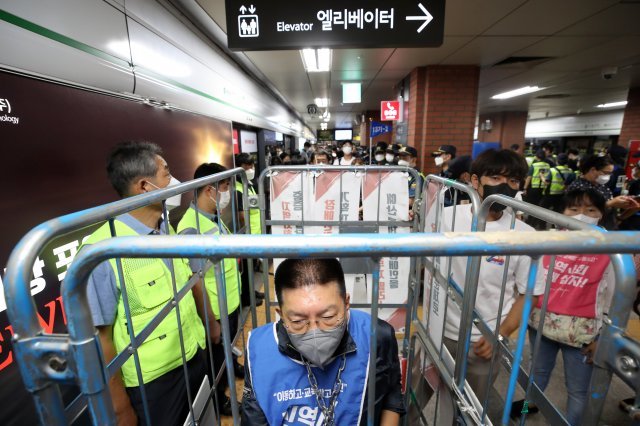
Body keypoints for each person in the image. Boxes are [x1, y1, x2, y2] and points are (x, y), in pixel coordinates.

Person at [82, 141, 218, 425]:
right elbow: (99, 340)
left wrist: (210, 322)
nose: (175, 182)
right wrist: (120, 409)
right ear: (144, 186)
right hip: (153, 385)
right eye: (167, 174)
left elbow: (189, 280)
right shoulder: (103, 251)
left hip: (193, 355)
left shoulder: (165, 230)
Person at [424, 149, 544, 417]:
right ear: (475, 181)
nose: (505, 186)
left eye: (513, 181)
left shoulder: (525, 235)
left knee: (468, 411)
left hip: (482, 344)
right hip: (435, 331)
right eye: (496, 177)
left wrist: (499, 334)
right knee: (411, 399)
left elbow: (530, 294)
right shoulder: (446, 217)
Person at [241, 258, 405, 425]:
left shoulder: (375, 335)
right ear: (281, 315)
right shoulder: (258, 349)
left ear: (346, 302)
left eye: (328, 317)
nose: (314, 332)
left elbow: (391, 395)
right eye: (298, 321)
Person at [512, 188, 614, 425]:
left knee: (578, 390)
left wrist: (603, 336)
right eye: (574, 209)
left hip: (584, 334)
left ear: (601, 214)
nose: (582, 215)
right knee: (535, 378)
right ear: (562, 212)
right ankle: (527, 411)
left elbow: (614, 297)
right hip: (541, 325)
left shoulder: (612, 248)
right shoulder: (550, 239)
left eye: (590, 210)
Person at [177, 163, 245, 416]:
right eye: (225, 187)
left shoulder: (213, 219)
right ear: (209, 190)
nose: (228, 193)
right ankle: (219, 399)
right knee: (214, 361)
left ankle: (231, 367)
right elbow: (194, 281)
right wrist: (211, 320)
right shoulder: (190, 228)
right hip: (215, 311)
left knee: (226, 350)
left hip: (229, 302)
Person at [566, 154, 640, 229]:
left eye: (610, 173)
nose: (609, 176)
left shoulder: (600, 185)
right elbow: (581, 210)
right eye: (606, 173)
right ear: (593, 170)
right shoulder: (578, 187)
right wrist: (611, 203)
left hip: (605, 227)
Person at [234, 153, 265, 305]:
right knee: (245, 271)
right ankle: (246, 298)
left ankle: (252, 292)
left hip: (255, 235)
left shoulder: (248, 185)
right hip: (247, 237)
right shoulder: (238, 189)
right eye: (248, 167)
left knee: (251, 268)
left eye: (252, 166)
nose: (251, 169)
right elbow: (242, 216)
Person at [524, 149, 551, 229]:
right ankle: (536, 222)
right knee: (540, 206)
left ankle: (530, 223)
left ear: (536, 156)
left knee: (532, 206)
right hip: (543, 189)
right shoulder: (547, 165)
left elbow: (529, 177)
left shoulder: (534, 165)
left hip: (534, 189)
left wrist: (525, 188)